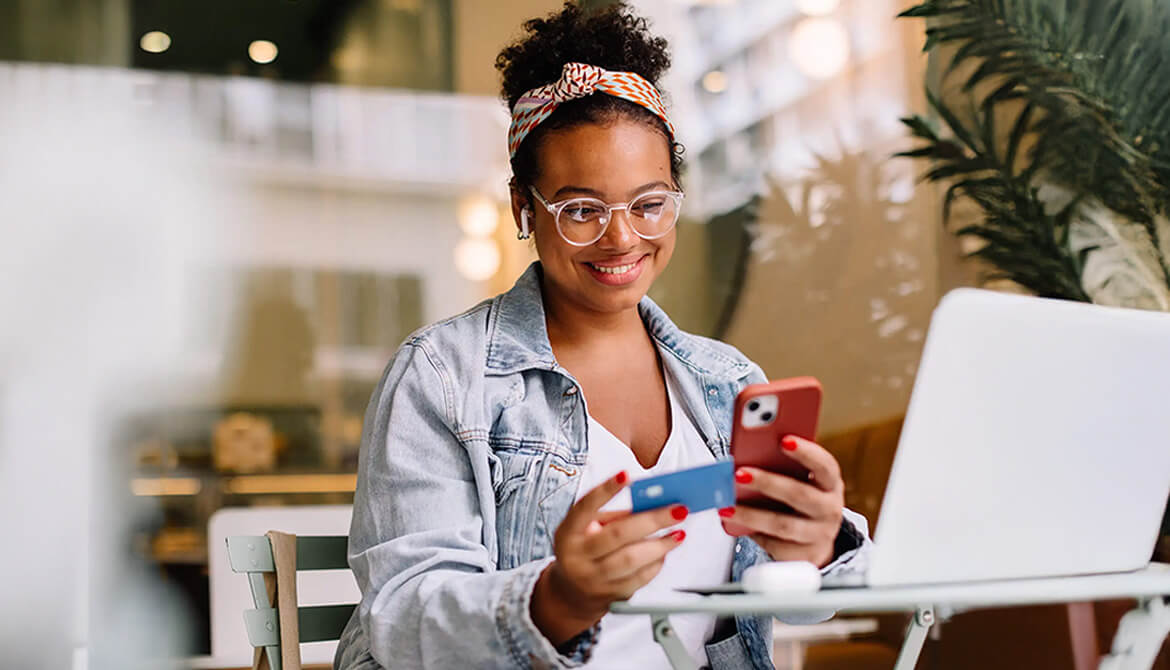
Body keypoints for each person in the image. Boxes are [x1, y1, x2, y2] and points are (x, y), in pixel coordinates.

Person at [334, 4, 871, 669]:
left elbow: (797, 603)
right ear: (523, 207)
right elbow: (406, 618)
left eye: (649, 204)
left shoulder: (729, 382)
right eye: (582, 209)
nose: (622, 238)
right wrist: (559, 597)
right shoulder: (442, 378)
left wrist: (814, 549)